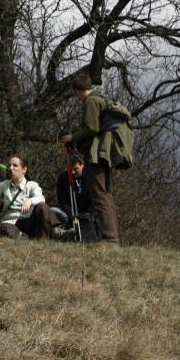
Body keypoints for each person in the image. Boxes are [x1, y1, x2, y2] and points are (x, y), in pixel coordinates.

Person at [60, 71, 120, 245]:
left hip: (96, 155)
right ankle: (110, 236)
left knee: (99, 195)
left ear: (78, 90)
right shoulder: (100, 99)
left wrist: (72, 137)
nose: (76, 97)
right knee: (105, 194)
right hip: (103, 153)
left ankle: (109, 238)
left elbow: (92, 128)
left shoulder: (91, 101)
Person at [0, 154, 60, 238]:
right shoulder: (4, 185)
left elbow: (41, 198)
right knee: (6, 228)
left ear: (24, 169)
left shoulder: (31, 185)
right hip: (9, 224)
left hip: (27, 222)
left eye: (15, 166)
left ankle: (49, 235)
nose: (11, 168)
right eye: (9, 165)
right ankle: (25, 237)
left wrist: (30, 201)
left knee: (42, 207)